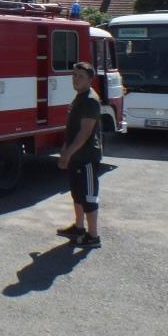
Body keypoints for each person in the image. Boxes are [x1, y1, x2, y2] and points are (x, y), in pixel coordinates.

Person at [57, 61, 103, 249]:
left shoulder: (90, 100)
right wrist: (65, 148)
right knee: (77, 194)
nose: (76, 79)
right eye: (74, 75)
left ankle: (93, 237)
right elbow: (72, 129)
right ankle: (78, 228)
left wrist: (67, 154)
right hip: (76, 155)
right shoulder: (80, 96)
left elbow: (84, 133)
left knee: (89, 198)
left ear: (90, 80)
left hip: (87, 158)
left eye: (80, 76)